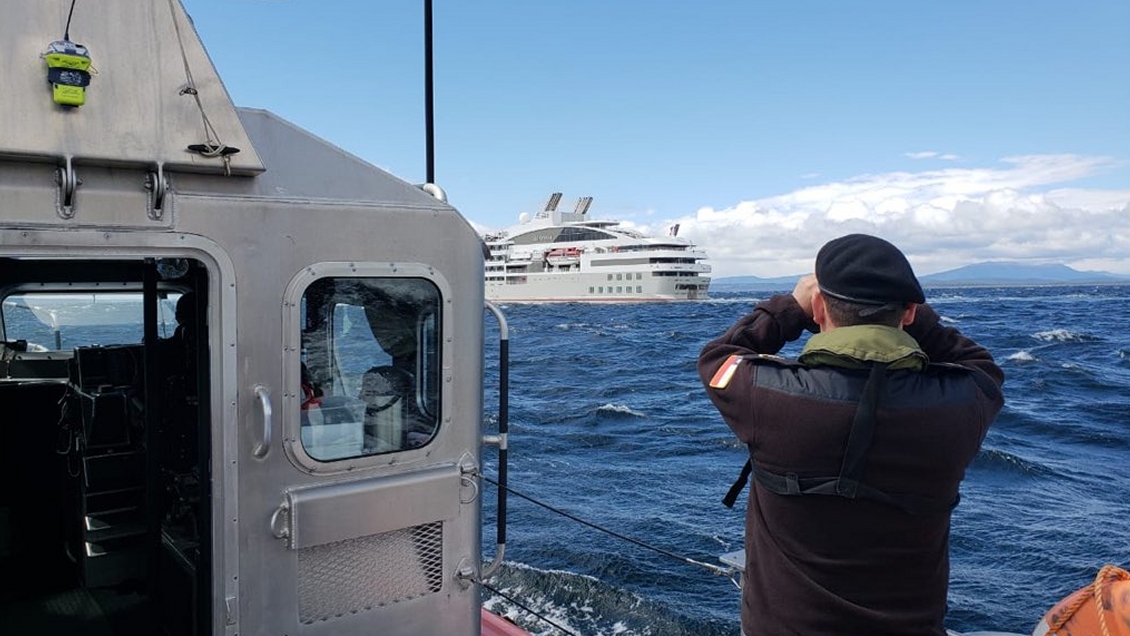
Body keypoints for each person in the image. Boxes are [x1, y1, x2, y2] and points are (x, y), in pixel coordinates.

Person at [698, 234, 1004, 636]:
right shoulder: (959, 405)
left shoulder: (768, 396)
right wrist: (913, 314)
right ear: (910, 312)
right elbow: (982, 368)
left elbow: (717, 358)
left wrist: (788, 309)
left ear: (819, 306)